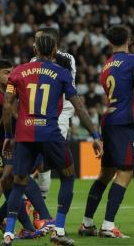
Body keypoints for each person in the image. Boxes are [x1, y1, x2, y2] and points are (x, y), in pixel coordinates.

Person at [0, 33, 102, 246]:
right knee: (67, 176)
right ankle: (59, 230)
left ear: (35, 49)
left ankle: (8, 234)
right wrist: (94, 135)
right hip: (50, 134)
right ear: (55, 51)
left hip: (25, 135)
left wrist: (9, 136)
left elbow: (8, 105)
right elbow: (79, 107)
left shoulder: (18, 72)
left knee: (19, 182)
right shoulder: (62, 73)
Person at [79, 25, 134, 238]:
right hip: (123, 123)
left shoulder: (107, 65)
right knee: (126, 172)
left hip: (109, 120)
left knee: (105, 174)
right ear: (128, 39)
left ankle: (86, 224)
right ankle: (107, 225)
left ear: (110, 42)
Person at [0, 59, 52, 241]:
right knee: (3, 182)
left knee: (14, 182)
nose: (11, 75)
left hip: (12, 144)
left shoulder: (12, 91)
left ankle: (10, 223)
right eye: (6, 72)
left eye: (11, 71)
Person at [30, 27, 77, 203]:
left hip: (61, 112)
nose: (34, 43)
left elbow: (66, 87)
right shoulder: (33, 60)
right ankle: (38, 206)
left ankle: (38, 204)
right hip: (40, 112)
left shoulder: (67, 59)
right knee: (39, 160)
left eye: (38, 39)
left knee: (47, 159)